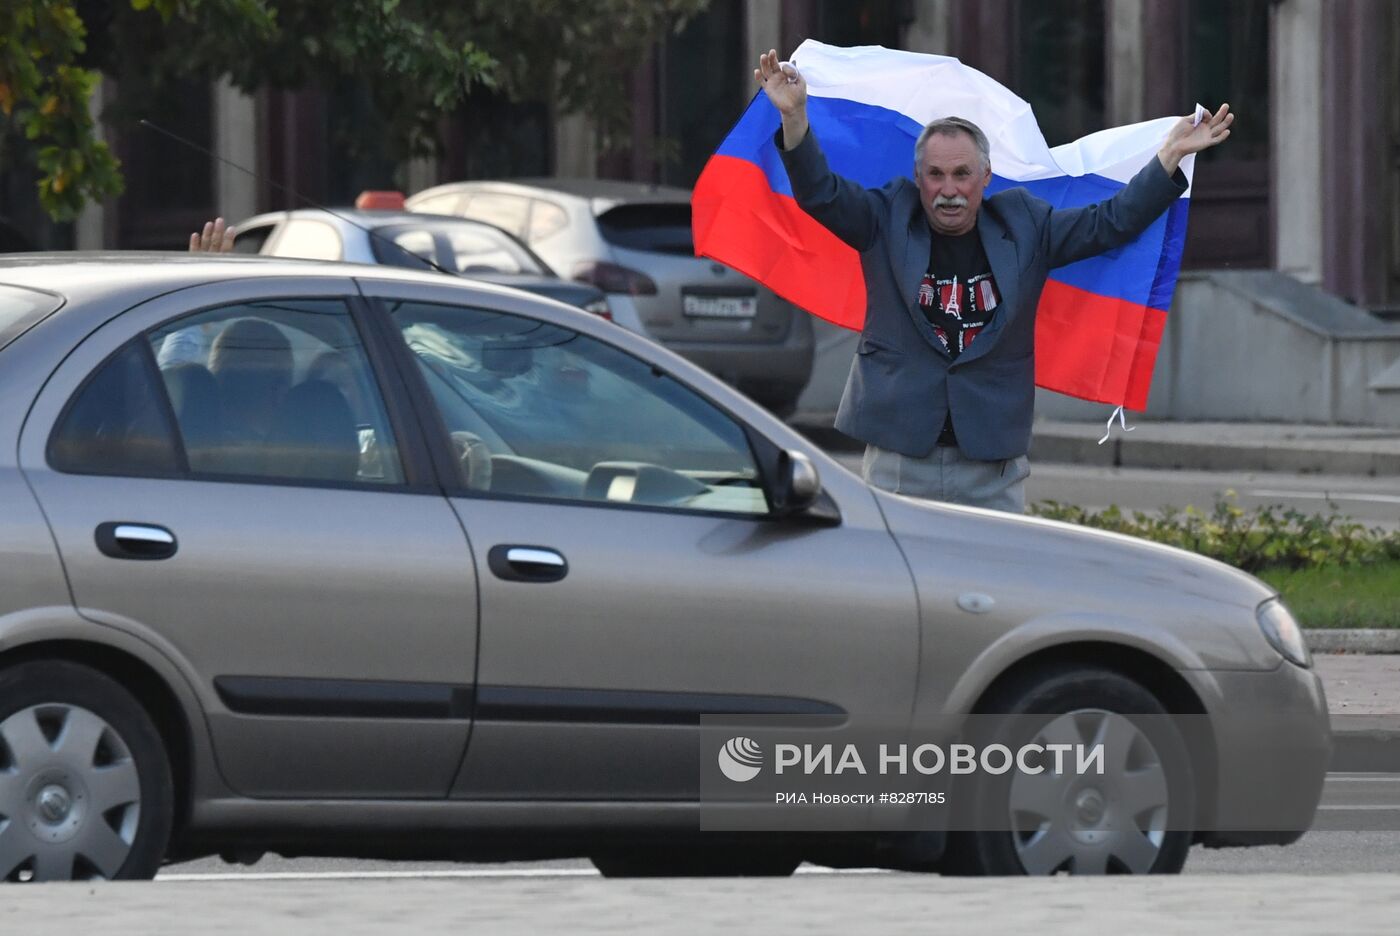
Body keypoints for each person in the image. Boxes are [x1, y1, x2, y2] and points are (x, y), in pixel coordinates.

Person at [754, 49, 1234, 513]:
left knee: (995, 592)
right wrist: (795, 118)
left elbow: (1111, 221)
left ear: (986, 178)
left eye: (962, 174)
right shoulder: (885, 217)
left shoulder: (1027, 225)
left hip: (992, 465)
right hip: (900, 457)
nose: (948, 190)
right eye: (935, 175)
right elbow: (820, 193)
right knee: (902, 594)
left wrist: (1169, 156)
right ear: (918, 179)